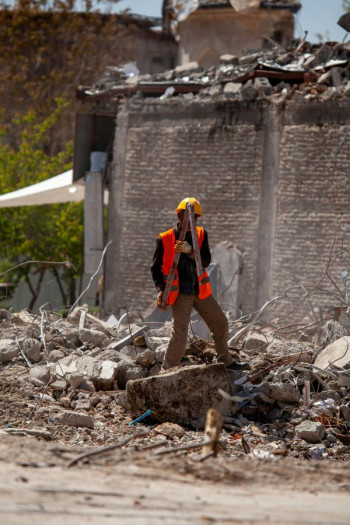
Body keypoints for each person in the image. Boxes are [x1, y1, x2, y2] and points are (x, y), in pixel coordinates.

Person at [151, 197, 239, 370]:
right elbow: (155, 268)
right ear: (179, 215)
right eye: (188, 216)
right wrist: (161, 289)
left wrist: (191, 251)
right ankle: (167, 371)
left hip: (200, 292)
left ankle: (225, 362)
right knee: (180, 335)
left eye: (195, 217)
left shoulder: (201, 235)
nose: (192, 220)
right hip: (180, 293)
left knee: (220, 322)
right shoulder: (165, 239)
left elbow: (205, 261)